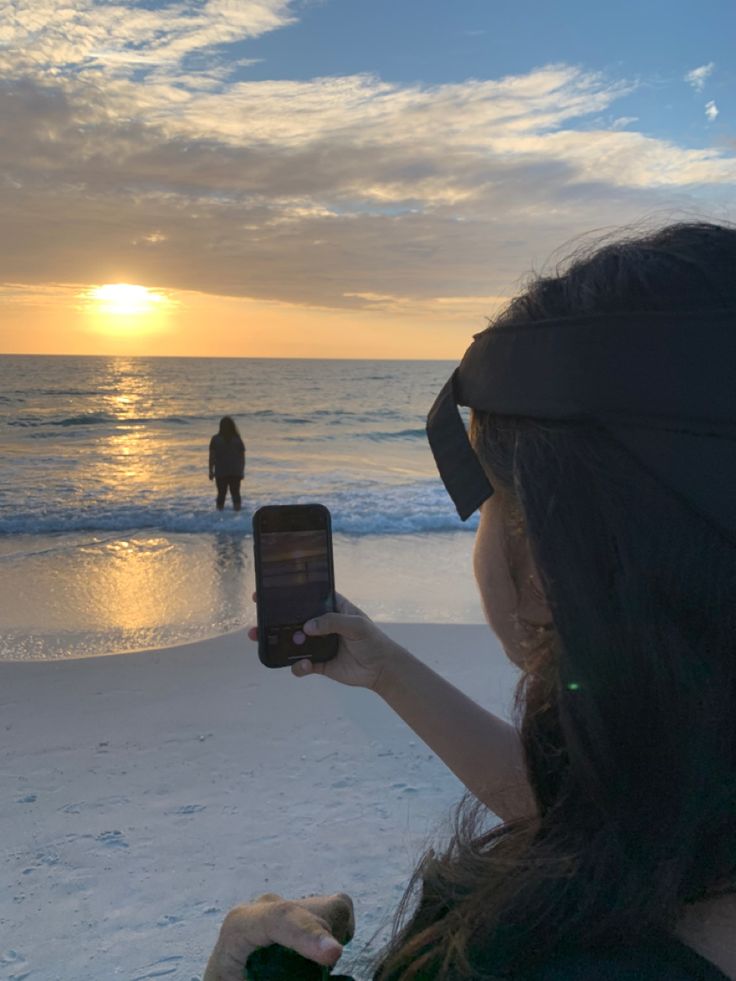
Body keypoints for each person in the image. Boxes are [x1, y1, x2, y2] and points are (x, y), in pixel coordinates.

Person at [204, 222, 736, 980]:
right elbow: (591, 818)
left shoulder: (535, 958)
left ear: (543, 564)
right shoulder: (694, 782)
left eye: (486, 503)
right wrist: (386, 667)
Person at [209, 416, 246, 512]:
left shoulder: (215, 439)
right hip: (235, 471)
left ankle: (219, 514)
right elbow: (242, 457)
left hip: (221, 471)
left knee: (221, 494)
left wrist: (210, 471)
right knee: (236, 494)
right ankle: (237, 515)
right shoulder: (237, 439)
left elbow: (212, 457)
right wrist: (241, 471)